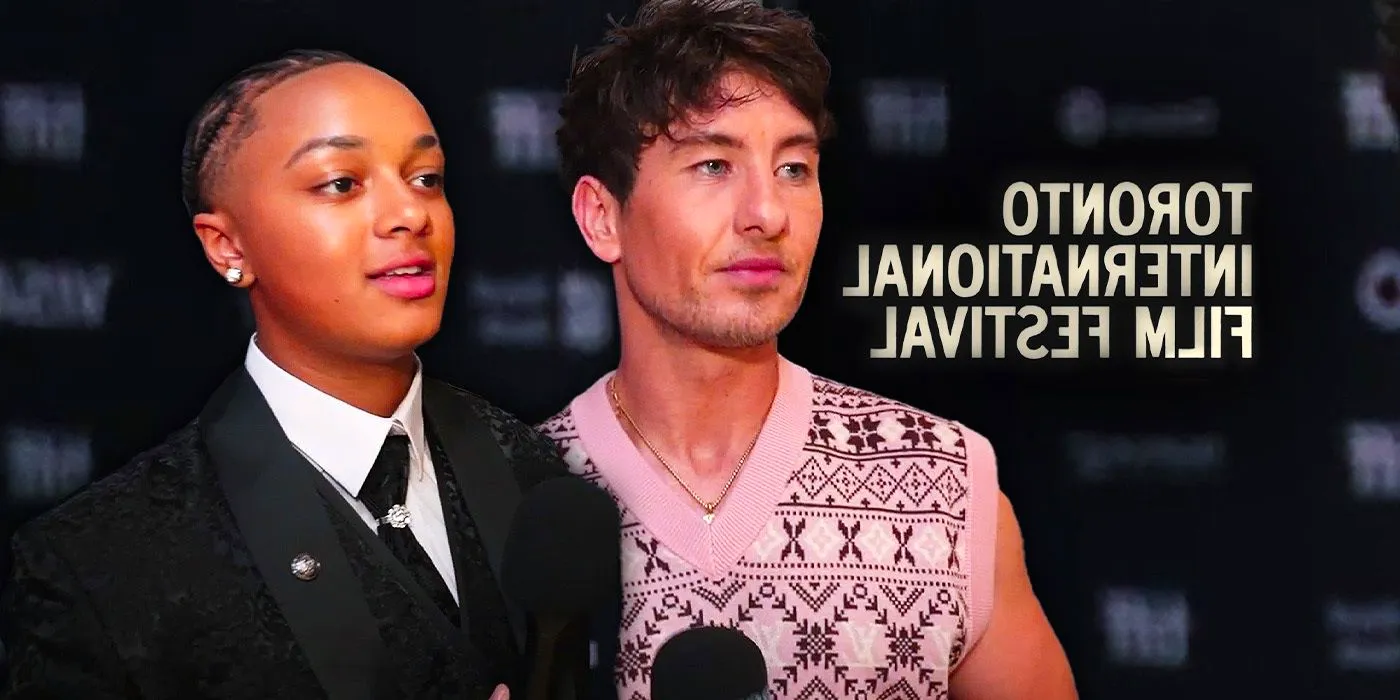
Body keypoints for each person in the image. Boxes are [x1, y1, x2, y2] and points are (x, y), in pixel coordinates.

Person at [537, 1, 1078, 698]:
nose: (767, 213)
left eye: (794, 168)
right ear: (602, 216)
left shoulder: (945, 485)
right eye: (711, 164)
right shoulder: (518, 493)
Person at [0, 50, 564, 700]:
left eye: (426, 177)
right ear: (227, 247)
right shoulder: (102, 562)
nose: (411, 214)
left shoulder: (533, 469)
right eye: (341, 184)